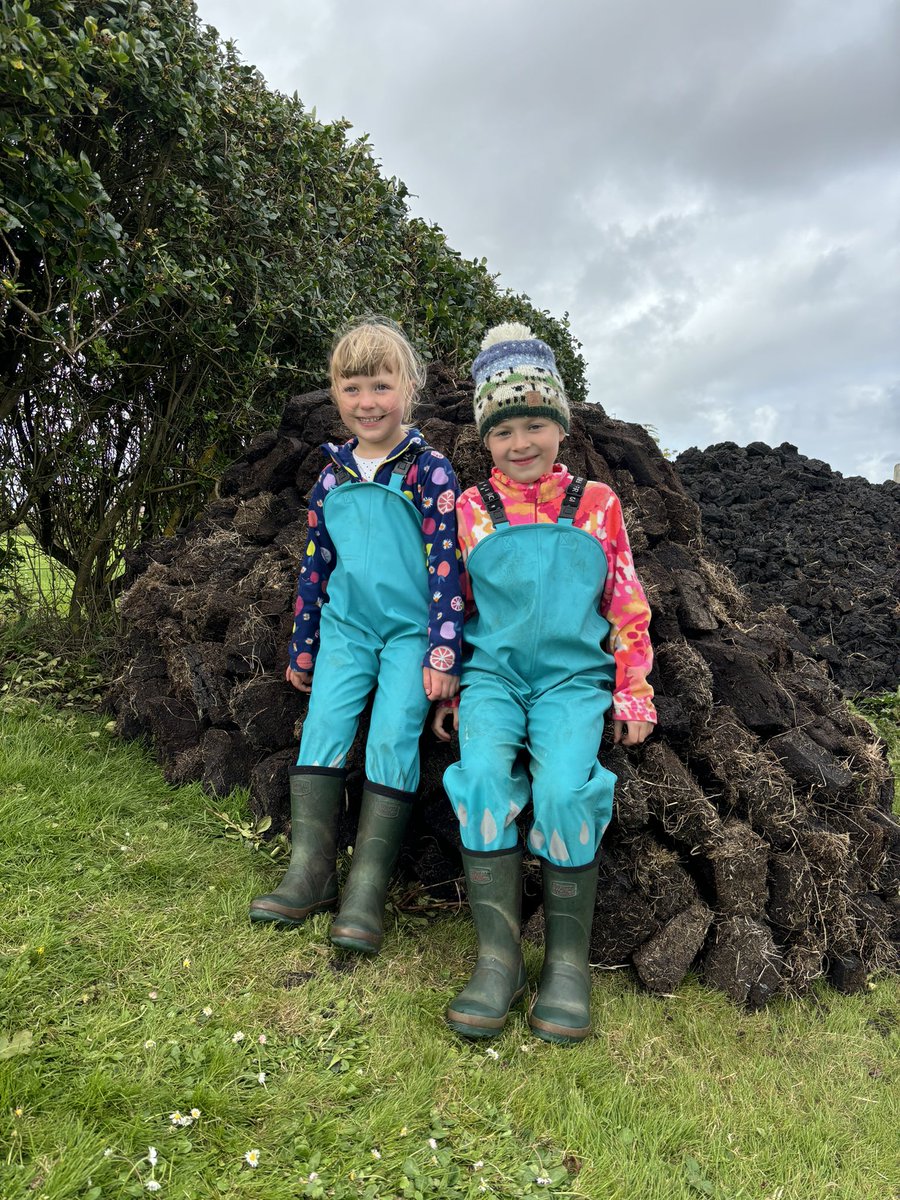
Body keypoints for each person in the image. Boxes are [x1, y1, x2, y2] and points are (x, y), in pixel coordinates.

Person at [433, 322, 655, 1043]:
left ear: (560, 426)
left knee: (565, 790)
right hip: (493, 681)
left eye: (535, 423)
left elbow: (625, 601)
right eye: (504, 430)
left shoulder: (598, 506)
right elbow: (453, 608)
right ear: (484, 438)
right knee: (482, 782)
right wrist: (455, 683)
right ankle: (497, 959)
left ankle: (566, 964)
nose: (520, 442)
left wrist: (634, 691)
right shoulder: (469, 511)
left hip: (571, 686)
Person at [250, 317, 462, 954]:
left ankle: (366, 890)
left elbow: (449, 567)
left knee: (394, 735)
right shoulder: (332, 474)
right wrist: (304, 642)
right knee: (324, 727)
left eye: (380, 386)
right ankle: (308, 875)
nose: (367, 403)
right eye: (351, 389)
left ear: (409, 389)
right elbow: (317, 561)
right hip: (345, 629)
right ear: (335, 395)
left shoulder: (430, 472)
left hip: (408, 635)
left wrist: (443, 649)